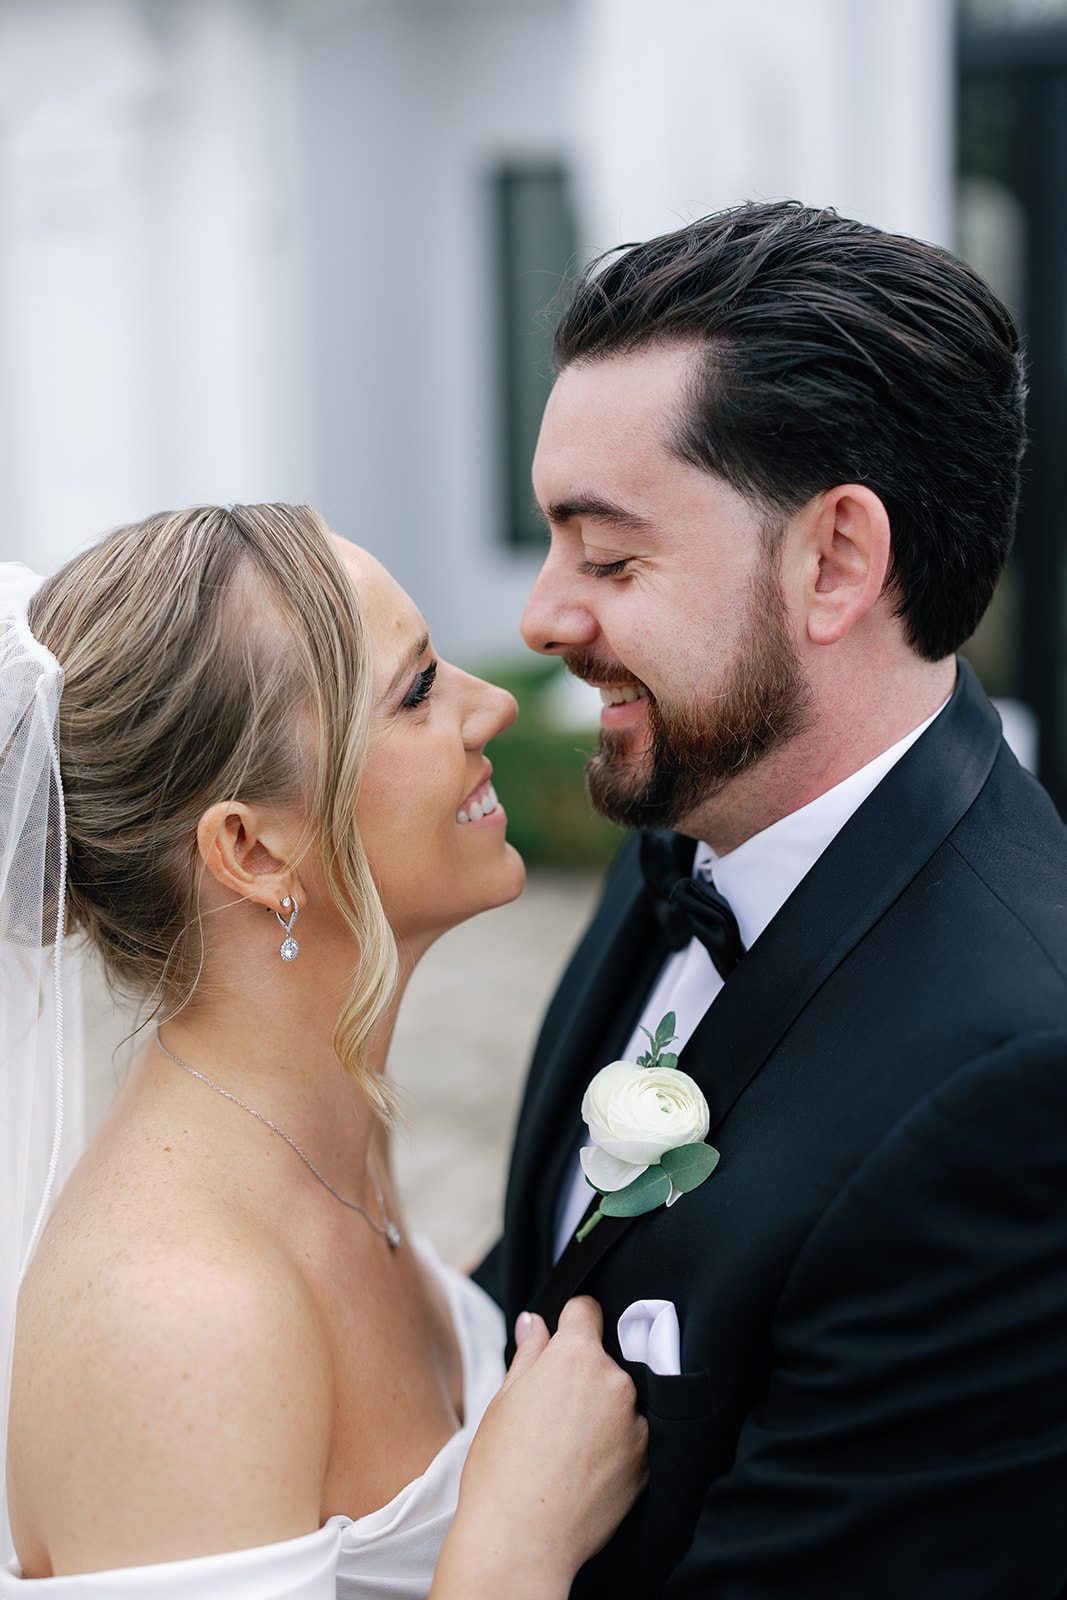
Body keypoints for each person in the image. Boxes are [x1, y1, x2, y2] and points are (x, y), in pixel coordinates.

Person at [476, 201, 1067, 1596]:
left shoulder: (1014, 1083)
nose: (544, 618)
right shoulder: (688, 833)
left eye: (608, 556)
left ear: (834, 563)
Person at [0, 504, 647, 1596]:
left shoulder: (332, 1129)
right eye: (417, 690)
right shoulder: (177, 1316)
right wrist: (516, 1542)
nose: (491, 706)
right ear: (251, 849)